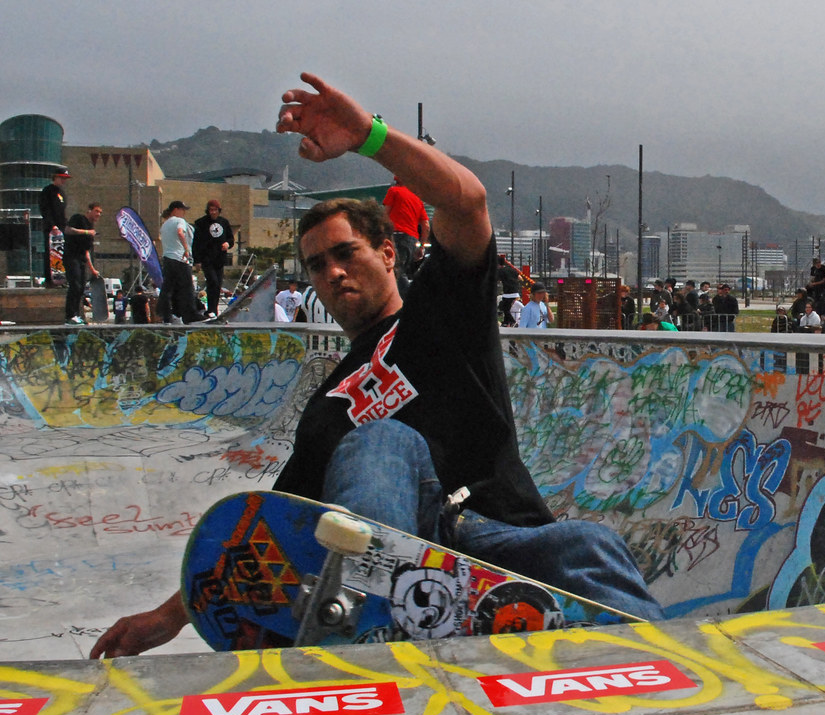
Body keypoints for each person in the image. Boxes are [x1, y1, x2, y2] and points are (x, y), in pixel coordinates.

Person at [90, 72, 661, 659]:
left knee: (588, 543)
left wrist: (368, 136)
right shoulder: (329, 407)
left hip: (496, 542)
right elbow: (272, 527)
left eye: (346, 253)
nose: (332, 273)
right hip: (386, 552)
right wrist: (169, 616)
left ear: (388, 253)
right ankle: (378, 621)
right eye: (316, 266)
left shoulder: (441, 310)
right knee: (377, 442)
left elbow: (466, 201)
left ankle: (674, 680)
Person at [156, 201, 204, 323]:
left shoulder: (164, 225)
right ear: (176, 209)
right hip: (179, 258)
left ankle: (165, 314)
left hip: (167, 258)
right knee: (187, 287)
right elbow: (180, 232)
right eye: (183, 210)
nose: (184, 213)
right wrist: (186, 249)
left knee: (167, 288)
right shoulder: (179, 221)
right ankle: (190, 315)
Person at [383, 175, 430, 294]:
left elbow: (384, 216)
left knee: (395, 271)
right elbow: (426, 226)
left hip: (397, 236)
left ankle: (411, 301)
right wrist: (422, 246)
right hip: (412, 240)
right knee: (401, 271)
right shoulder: (417, 199)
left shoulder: (394, 191)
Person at [192, 200, 234, 316]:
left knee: (217, 285)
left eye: (215, 210)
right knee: (213, 282)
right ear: (208, 210)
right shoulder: (201, 223)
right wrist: (197, 260)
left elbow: (231, 239)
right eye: (211, 210)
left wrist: (227, 244)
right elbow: (196, 243)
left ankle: (213, 310)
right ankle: (210, 309)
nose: (213, 212)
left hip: (219, 259)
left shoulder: (224, 222)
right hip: (206, 259)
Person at [63, 203, 102, 325]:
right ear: (89, 211)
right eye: (96, 211)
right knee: (74, 285)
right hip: (71, 257)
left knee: (81, 288)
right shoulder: (79, 218)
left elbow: (86, 252)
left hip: (81, 260)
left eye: (100, 213)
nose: (98, 214)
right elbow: (68, 230)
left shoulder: (91, 228)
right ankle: (69, 316)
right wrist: (86, 232)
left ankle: (76, 315)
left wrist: (92, 269)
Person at [39, 168, 71, 287]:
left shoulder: (61, 193)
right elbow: (45, 209)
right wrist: (52, 225)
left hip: (61, 228)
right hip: (51, 229)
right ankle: (49, 279)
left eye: (65, 179)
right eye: (62, 178)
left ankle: (61, 279)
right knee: (51, 253)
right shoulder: (47, 191)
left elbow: (62, 212)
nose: (63, 181)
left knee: (61, 253)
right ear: (55, 177)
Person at [497, 257, 523, 326]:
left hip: (508, 294)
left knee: (505, 309)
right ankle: (506, 322)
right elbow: (520, 278)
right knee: (507, 309)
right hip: (515, 292)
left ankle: (513, 321)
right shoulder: (512, 269)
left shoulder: (500, 271)